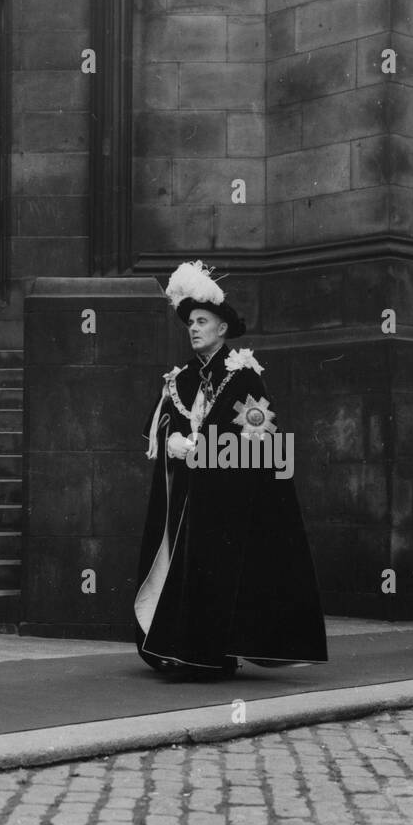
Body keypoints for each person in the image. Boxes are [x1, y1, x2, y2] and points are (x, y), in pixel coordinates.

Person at [134, 260, 327, 675]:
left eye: (203, 321)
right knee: (181, 567)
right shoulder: (180, 378)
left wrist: (205, 451)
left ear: (222, 328)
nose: (194, 329)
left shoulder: (243, 377)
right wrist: (173, 441)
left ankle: (211, 656)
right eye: (190, 323)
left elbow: (261, 443)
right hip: (185, 496)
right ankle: (179, 647)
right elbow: (159, 425)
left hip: (227, 499)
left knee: (219, 573)